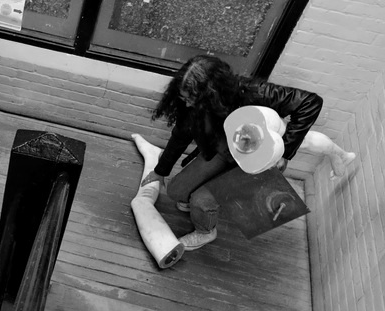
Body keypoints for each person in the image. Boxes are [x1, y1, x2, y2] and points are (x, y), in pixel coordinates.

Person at [141, 54, 353, 251]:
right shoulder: (191, 107)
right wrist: (161, 170)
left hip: (257, 157)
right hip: (225, 151)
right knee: (176, 191)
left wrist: (284, 153)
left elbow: (310, 102)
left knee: (201, 201)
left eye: (193, 99)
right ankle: (203, 203)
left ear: (212, 94)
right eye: (183, 97)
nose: (187, 103)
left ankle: (205, 231)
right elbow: (180, 136)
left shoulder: (253, 92)